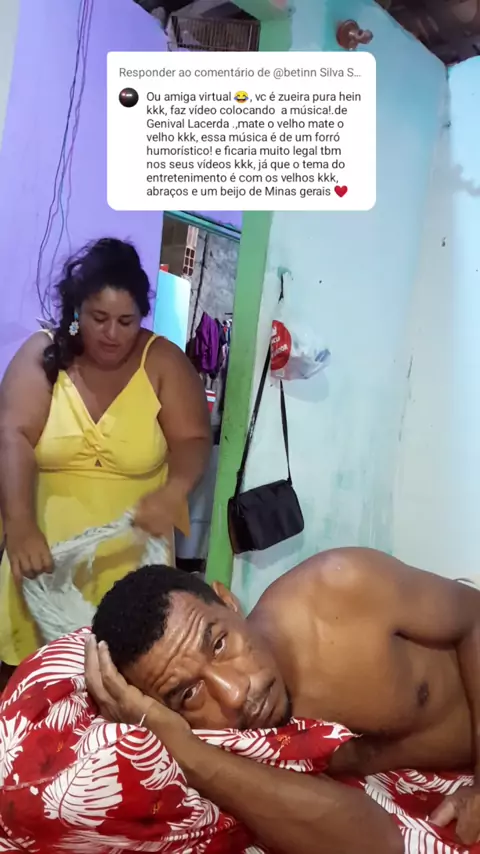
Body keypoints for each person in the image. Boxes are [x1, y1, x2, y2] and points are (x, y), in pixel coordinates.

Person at [89, 550, 480, 845]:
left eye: (220, 644)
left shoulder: (340, 588)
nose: (234, 694)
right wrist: (183, 752)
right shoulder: (224, 738)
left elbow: (475, 617)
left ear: (228, 601)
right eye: (189, 693)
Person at [0, 237, 211, 674]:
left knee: (122, 684)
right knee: (34, 686)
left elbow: (193, 440)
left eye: (126, 321)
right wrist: (19, 523)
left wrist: (175, 490)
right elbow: (12, 435)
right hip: (42, 560)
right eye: (98, 318)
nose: (112, 334)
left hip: (131, 569)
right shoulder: (42, 354)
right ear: (77, 311)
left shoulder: (162, 362)